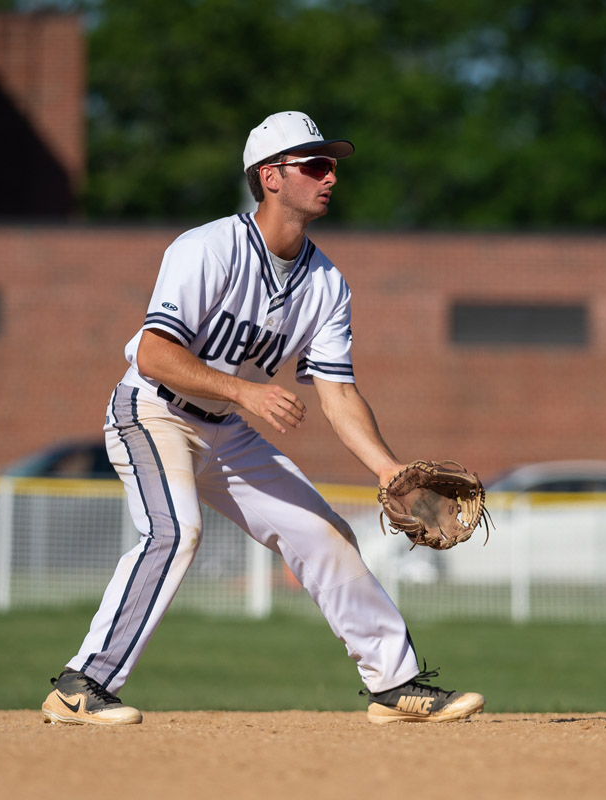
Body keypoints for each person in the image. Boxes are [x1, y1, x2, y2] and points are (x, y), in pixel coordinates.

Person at [41, 111, 484, 726]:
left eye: (332, 165)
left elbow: (338, 392)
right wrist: (245, 394)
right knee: (175, 532)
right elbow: (153, 352)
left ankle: (395, 686)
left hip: (226, 427)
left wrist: (387, 469)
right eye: (315, 165)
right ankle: (81, 684)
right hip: (152, 409)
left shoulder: (326, 283)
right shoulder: (208, 248)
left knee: (324, 533)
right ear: (271, 177)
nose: (330, 177)